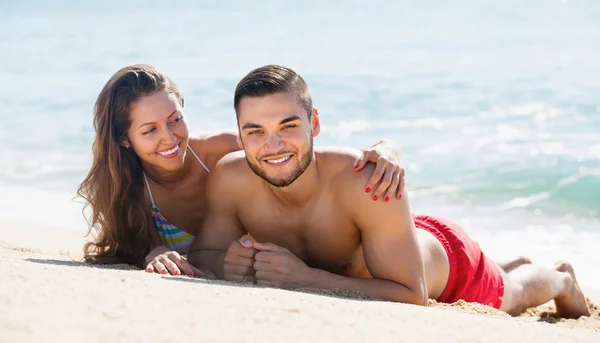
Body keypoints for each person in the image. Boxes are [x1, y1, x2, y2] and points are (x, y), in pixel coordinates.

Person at [188, 64, 590, 318]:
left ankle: (560, 279)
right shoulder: (231, 179)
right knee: (499, 268)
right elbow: (206, 253)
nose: (272, 146)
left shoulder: (362, 178)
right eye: (255, 131)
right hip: (392, 237)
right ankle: (510, 260)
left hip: (446, 264)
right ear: (239, 134)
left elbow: (413, 296)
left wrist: (307, 279)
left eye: (288, 126)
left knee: (512, 293)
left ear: (315, 122)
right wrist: (228, 265)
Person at [77, 64, 407, 277]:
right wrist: (153, 251)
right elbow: (127, 249)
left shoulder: (225, 150)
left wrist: (387, 147)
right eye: (149, 131)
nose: (170, 137)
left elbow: (296, 152)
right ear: (124, 138)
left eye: (175, 119)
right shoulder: (127, 190)